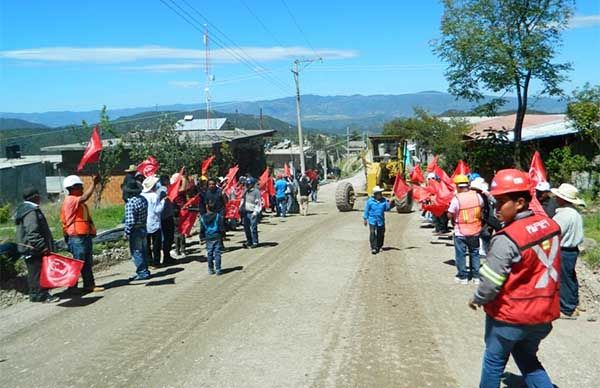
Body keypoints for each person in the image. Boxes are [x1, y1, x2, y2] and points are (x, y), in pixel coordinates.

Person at [468, 169, 561, 388]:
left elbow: (490, 283)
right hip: (543, 313)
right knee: (527, 358)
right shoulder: (550, 225)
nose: (495, 208)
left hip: (510, 316)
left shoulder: (506, 239)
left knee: (493, 363)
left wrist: (478, 298)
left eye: (501, 202)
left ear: (520, 202)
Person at [15, 187, 60, 303]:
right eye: (38, 195)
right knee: (39, 272)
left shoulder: (24, 209)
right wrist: (42, 246)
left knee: (34, 273)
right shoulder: (30, 211)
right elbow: (32, 232)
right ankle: (42, 295)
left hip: (29, 247)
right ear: (35, 197)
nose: (40, 197)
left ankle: (35, 295)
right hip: (33, 248)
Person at [61, 174, 104, 293]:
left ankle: (89, 285)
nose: (82, 189)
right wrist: (94, 184)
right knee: (78, 262)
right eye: (80, 186)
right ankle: (71, 287)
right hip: (76, 237)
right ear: (73, 188)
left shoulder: (78, 202)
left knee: (86, 263)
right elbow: (85, 197)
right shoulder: (71, 200)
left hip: (84, 236)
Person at [551, 183, 585, 319]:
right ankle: (572, 303)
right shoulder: (574, 213)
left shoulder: (564, 215)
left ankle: (567, 308)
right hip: (572, 249)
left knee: (564, 278)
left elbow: (555, 231)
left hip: (564, 249)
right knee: (570, 276)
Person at [448, 174, 483, 284]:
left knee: (461, 254)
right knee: (475, 253)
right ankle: (476, 276)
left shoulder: (456, 199)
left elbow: (450, 214)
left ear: (458, 186)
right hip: (475, 229)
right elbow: (480, 209)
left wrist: (452, 218)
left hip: (460, 231)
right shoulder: (477, 196)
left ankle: (463, 277)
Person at [123, 180, 151, 281]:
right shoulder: (143, 199)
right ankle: (145, 270)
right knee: (143, 250)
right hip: (143, 227)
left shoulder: (131, 203)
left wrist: (126, 232)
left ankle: (142, 272)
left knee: (136, 252)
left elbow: (130, 221)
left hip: (135, 230)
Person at [470, 177, 502, 256]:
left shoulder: (486, 196)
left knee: (486, 235)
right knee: (484, 235)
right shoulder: (482, 196)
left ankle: (486, 250)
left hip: (489, 218)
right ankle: (484, 250)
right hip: (486, 218)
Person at [363, 185, 395, 254]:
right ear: (375, 194)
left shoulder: (384, 201)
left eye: (381, 193)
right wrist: (365, 219)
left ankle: (379, 246)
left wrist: (391, 203)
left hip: (380, 221)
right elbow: (366, 210)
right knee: (372, 233)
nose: (381, 194)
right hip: (372, 220)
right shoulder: (370, 201)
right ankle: (373, 248)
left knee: (380, 234)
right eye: (379, 193)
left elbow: (387, 208)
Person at [141, 175, 165, 267]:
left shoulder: (142, 195)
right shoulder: (154, 196)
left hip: (144, 222)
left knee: (146, 244)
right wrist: (163, 201)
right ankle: (156, 262)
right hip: (154, 222)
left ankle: (149, 261)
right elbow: (157, 210)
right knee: (156, 244)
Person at [200, 202, 225, 275]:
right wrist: (223, 235)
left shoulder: (202, 218)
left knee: (209, 253)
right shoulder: (218, 216)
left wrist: (202, 238)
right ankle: (218, 269)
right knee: (217, 253)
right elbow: (221, 227)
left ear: (207, 208)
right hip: (217, 236)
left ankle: (210, 269)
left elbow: (202, 229)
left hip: (208, 237)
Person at [158, 175, 175, 265]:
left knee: (168, 237)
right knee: (168, 237)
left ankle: (167, 256)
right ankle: (166, 257)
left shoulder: (162, 190)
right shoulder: (164, 190)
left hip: (165, 216)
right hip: (165, 217)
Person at [240, 177, 262, 248]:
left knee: (253, 228)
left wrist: (255, 212)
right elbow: (242, 200)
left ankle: (255, 241)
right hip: (245, 212)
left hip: (252, 212)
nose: (247, 185)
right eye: (247, 184)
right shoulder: (245, 191)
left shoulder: (256, 192)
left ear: (252, 184)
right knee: (246, 228)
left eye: (249, 184)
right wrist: (240, 207)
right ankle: (249, 241)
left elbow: (258, 203)